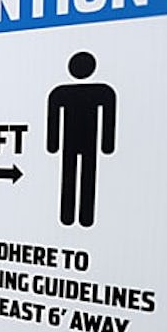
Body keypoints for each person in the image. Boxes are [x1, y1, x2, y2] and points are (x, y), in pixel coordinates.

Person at [46, 51, 116, 227]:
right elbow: (53, 118)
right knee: (78, 176)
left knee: (78, 176)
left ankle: (78, 217)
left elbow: (109, 118)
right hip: (81, 143)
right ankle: (75, 216)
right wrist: (52, 144)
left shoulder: (99, 91)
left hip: (77, 143)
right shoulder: (99, 91)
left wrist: (52, 144)